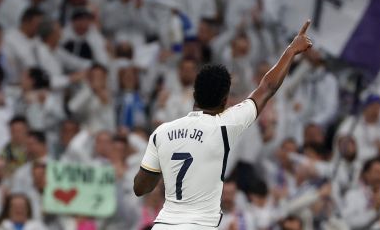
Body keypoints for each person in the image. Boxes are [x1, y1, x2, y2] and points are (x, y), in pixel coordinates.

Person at [133, 20, 312, 229]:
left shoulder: (162, 132)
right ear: (226, 100)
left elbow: (140, 188)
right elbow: (267, 88)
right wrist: (291, 50)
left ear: (194, 94)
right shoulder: (225, 126)